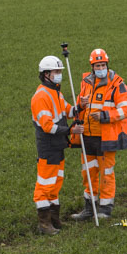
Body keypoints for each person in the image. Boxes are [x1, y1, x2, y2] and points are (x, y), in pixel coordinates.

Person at [69, 49, 127, 221]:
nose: (101, 68)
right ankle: (89, 208)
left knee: (106, 173)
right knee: (88, 173)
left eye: (103, 64)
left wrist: (105, 116)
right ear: (92, 67)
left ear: (107, 65)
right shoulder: (86, 83)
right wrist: (80, 105)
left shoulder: (118, 84)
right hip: (87, 136)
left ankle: (105, 209)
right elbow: (80, 107)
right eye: (97, 65)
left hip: (107, 137)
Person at [32, 56, 84, 235]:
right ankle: (44, 224)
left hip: (59, 145)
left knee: (55, 184)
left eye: (60, 72)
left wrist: (80, 107)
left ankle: (54, 220)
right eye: (56, 72)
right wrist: (70, 130)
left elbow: (68, 111)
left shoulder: (56, 93)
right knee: (45, 185)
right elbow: (47, 126)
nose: (59, 75)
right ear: (46, 74)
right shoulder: (40, 97)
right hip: (48, 147)